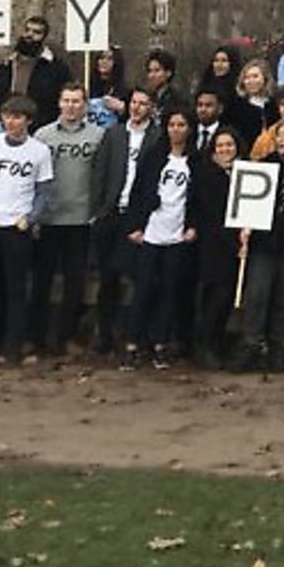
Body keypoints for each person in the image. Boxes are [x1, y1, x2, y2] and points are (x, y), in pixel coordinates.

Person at [0, 97, 56, 363]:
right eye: (7, 116)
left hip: (16, 227)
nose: (11, 122)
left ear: (28, 120)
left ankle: (12, 346)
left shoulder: (39, 151)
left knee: (15, 290)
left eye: (17, 117)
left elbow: (44, 192)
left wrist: (30, 218)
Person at [120, 110, 199, 371]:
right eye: (172, 124)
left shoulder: (195, 161)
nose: (176, 129)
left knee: (169, 292)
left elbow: (199, 200)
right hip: (151, 233)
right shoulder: (154, 158)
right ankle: (132, 344)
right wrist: (135, 226)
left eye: (181, 124)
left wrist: (192, 227)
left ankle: (160, 344)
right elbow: (138, 191)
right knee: (142, 291)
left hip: (177, 236)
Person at [237, 117, 284, 372]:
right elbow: (250, 202)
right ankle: (251, 344)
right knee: (257, 294)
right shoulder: (265, 166)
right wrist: (246, 225)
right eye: (278, 135)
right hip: (264, 241)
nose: (281, 140)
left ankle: (279, 348)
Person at [34, 83, 104, 358]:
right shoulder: (43, 135)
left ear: (85, 105)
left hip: (81, 220)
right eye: (67, 100)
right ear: (59, 103)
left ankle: (68, 336)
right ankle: (38, 337)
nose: (71, 106)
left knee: (76, 284)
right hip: (49, 218)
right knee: (42, 281)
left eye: (77, 101)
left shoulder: (98, 136)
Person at [93, 89, 155, 356]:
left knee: (141, 278)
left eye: (143, 104)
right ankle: (103, 333)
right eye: (134, 103)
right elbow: (100, 171)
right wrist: (98, 209)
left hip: (141, 216)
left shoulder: (157, 137)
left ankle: (136, 335)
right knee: (108, 278)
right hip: (112, 212)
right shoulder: (114, 134)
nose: (137, 108)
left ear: (151, 108)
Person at [191, 129, 242, 367]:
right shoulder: (205, 175)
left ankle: (217, 343)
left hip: (236, 246)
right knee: (214, 297)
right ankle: (206, 346)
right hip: (213, 244)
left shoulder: (245, 174)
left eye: (229, 145)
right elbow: (210, 213)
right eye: (220, 146)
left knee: (226, 297)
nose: (225, 150)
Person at [0, 15, 72, 129]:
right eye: (27, 30)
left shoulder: (57, 69)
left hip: (41, 127)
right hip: (6, 126)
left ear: (44, 37)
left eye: (36, 32)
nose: (30, 35)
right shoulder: (5, 66)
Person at [228, 59, 274, 147]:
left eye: (255, 76)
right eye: (247, 78)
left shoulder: (274, 105)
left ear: (265, 78)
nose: (251, 81)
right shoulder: (236, 107)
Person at [87, 46, 128, 129]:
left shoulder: (125, 90)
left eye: (109, 59)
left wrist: (122, 108)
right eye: (101, 58)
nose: (104, 62)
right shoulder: (87, 87)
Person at [192, 86, 229, 153]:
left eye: (208, 105)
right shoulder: (189, 131)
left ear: (220, 109)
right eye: (200, 105)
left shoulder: (228, 134)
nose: (203, 109)